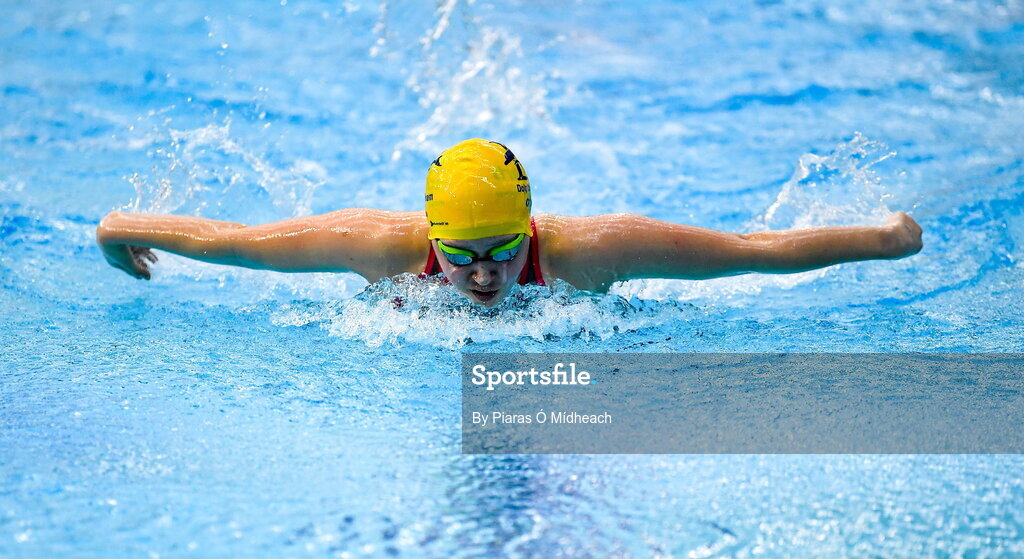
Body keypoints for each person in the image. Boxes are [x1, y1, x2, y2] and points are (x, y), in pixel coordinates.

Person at [97, 138, 923, 307]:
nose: (484, 273)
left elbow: (750, 253)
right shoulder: (378, 245)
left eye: (501, 251)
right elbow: (234, 243)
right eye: (459, 257)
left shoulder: (593, 253)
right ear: (430, 241)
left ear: (532, 232)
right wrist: (116, 228)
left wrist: (883, 242)